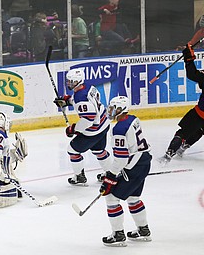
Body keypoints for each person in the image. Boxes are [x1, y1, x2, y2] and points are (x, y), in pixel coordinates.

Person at [99, 95, 152, 247]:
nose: (110, 111)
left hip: (134, 166)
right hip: (144, 160)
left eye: (113, 108)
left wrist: (110, 176)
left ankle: (118, 235)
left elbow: (121, 159)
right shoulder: (133, 118)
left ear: (121, 109)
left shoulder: (119, 129)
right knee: (133, 198)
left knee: (111, 198)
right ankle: (143, 230)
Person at [53, 68, 112, 185]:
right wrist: (68, 100)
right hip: (103, 124)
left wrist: (73, 129)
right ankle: (111, 174)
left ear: (78, 81)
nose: (69, 83)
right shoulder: (88, 86)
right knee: (99, 150)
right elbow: (86, 102)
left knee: (73, 150)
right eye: (68, 81)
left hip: (94, 130)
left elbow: (88, 119)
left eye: (72, 82)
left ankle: (79, 176)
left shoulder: (80, 96)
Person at [160, 43, 204, 163]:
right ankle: (184, 147)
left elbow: (192, 74)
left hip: (200, 113)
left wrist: (188, 58)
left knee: (183, 132)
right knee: (200, 130)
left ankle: (169, 153)